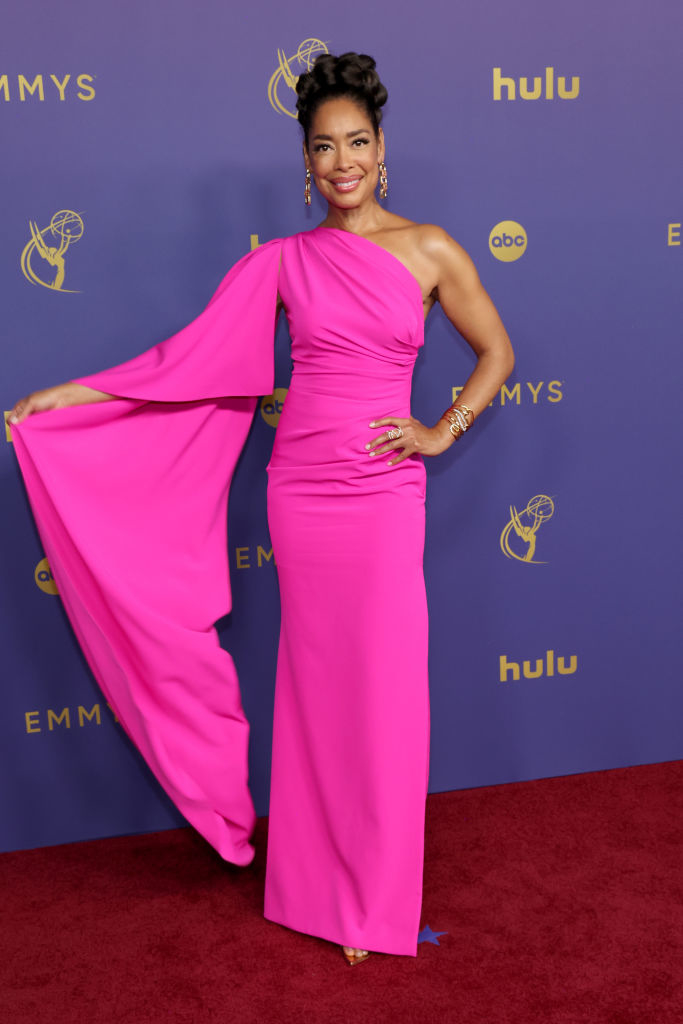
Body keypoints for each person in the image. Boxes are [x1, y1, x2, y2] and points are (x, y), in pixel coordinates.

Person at [8, 52, 514, 967]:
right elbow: (187, 362)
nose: (342, 162)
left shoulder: (431, 248)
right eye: (324, 147)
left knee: (384, 692)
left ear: (381, 148)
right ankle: (318, 890)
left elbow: (496, 353)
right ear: (306, 163)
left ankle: (373, 894)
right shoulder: (283, 263)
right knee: (318, 691)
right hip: (303, 492)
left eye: (356, 142)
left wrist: (443, 430)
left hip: (383, 492)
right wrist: (73, 397)